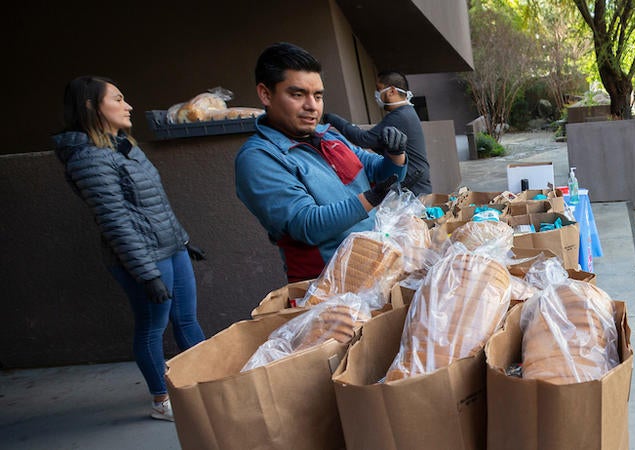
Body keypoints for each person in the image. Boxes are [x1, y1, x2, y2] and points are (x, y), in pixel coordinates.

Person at [53, 76, 206, 421]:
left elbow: (156, 204)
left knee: (187, 320)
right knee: (152, 327)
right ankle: (161, 400)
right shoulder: (87, 157)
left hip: (171, 248)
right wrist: (147, 274)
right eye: (118, 99)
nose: (128, 105)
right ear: (92, 106)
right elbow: (115, 221)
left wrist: (182, 240)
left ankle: (204, 385)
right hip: (141, 259)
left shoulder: (122, 146)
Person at [236, 43, 408, 282]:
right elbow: (307, 225)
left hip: (377, 263)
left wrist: (396, 156)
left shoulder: (328, 135)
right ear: (266, 94)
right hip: (327, 284)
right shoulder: (258, 158)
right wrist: (370, 199)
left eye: (317, 96)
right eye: (297, 95)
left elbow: (381, 174)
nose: (312, 106)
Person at [323, 71, 432, 195]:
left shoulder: (400, 116)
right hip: (416, 185)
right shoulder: (407, 112)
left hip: (413, 189)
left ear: (391, 91)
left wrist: (333, 119)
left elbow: (363, 139)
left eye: (379, 90)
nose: (376, 95)